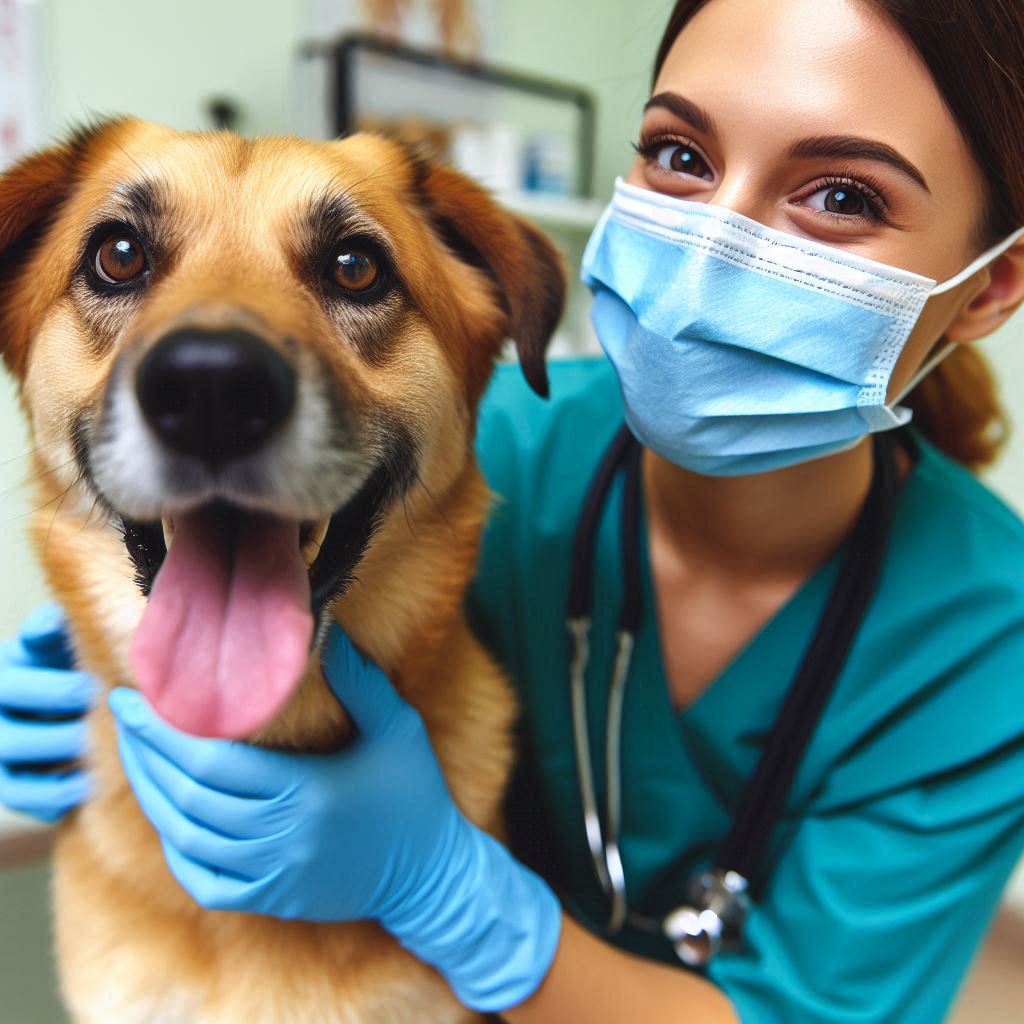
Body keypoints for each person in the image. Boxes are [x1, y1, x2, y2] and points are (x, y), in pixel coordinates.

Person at [3, 0, 1024, 1019]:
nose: (718, 239)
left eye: (840, 194)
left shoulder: (986, 643)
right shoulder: (512, 452)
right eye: (679, 153)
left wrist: (452, 895)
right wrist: (105, 630)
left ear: (988, 288)